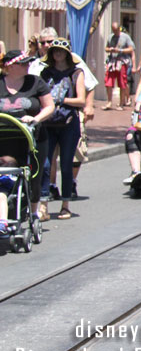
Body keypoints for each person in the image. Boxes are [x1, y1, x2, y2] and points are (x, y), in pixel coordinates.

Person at [0, 50, 55, 222]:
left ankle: (33, 212)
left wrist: (36, 118)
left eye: (28, 62)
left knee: (34, 176)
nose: (27, 65)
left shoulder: (35, 82)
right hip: (6, 138)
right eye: (23, 63)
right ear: (10, 66)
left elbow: (50, 106)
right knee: (6, 170)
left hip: (33, 137)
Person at [39, 38, 87, 221]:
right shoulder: (45, 73)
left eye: (61, 51)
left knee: (66, 164)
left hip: (68, 124)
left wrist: (60, 101)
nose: (57, 54)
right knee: (44, 164)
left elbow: (81, 100)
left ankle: (65, 204)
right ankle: (43, 204)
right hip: (48, 124)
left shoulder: (76, 73)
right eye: (54, 51)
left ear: (67, 54)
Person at [103, 22, 135, 110]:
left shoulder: (125, 37)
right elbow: (106, 48)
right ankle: (109, 102)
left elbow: (131, 48)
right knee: (108, 82)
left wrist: (120, 50)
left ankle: (121, 103)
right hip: (112, 61)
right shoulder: (110, 37)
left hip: (122, 61)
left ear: (119, 29)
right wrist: (110, 49)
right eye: (113, 30)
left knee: (122, 82)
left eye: (116, 30)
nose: (115, 32)